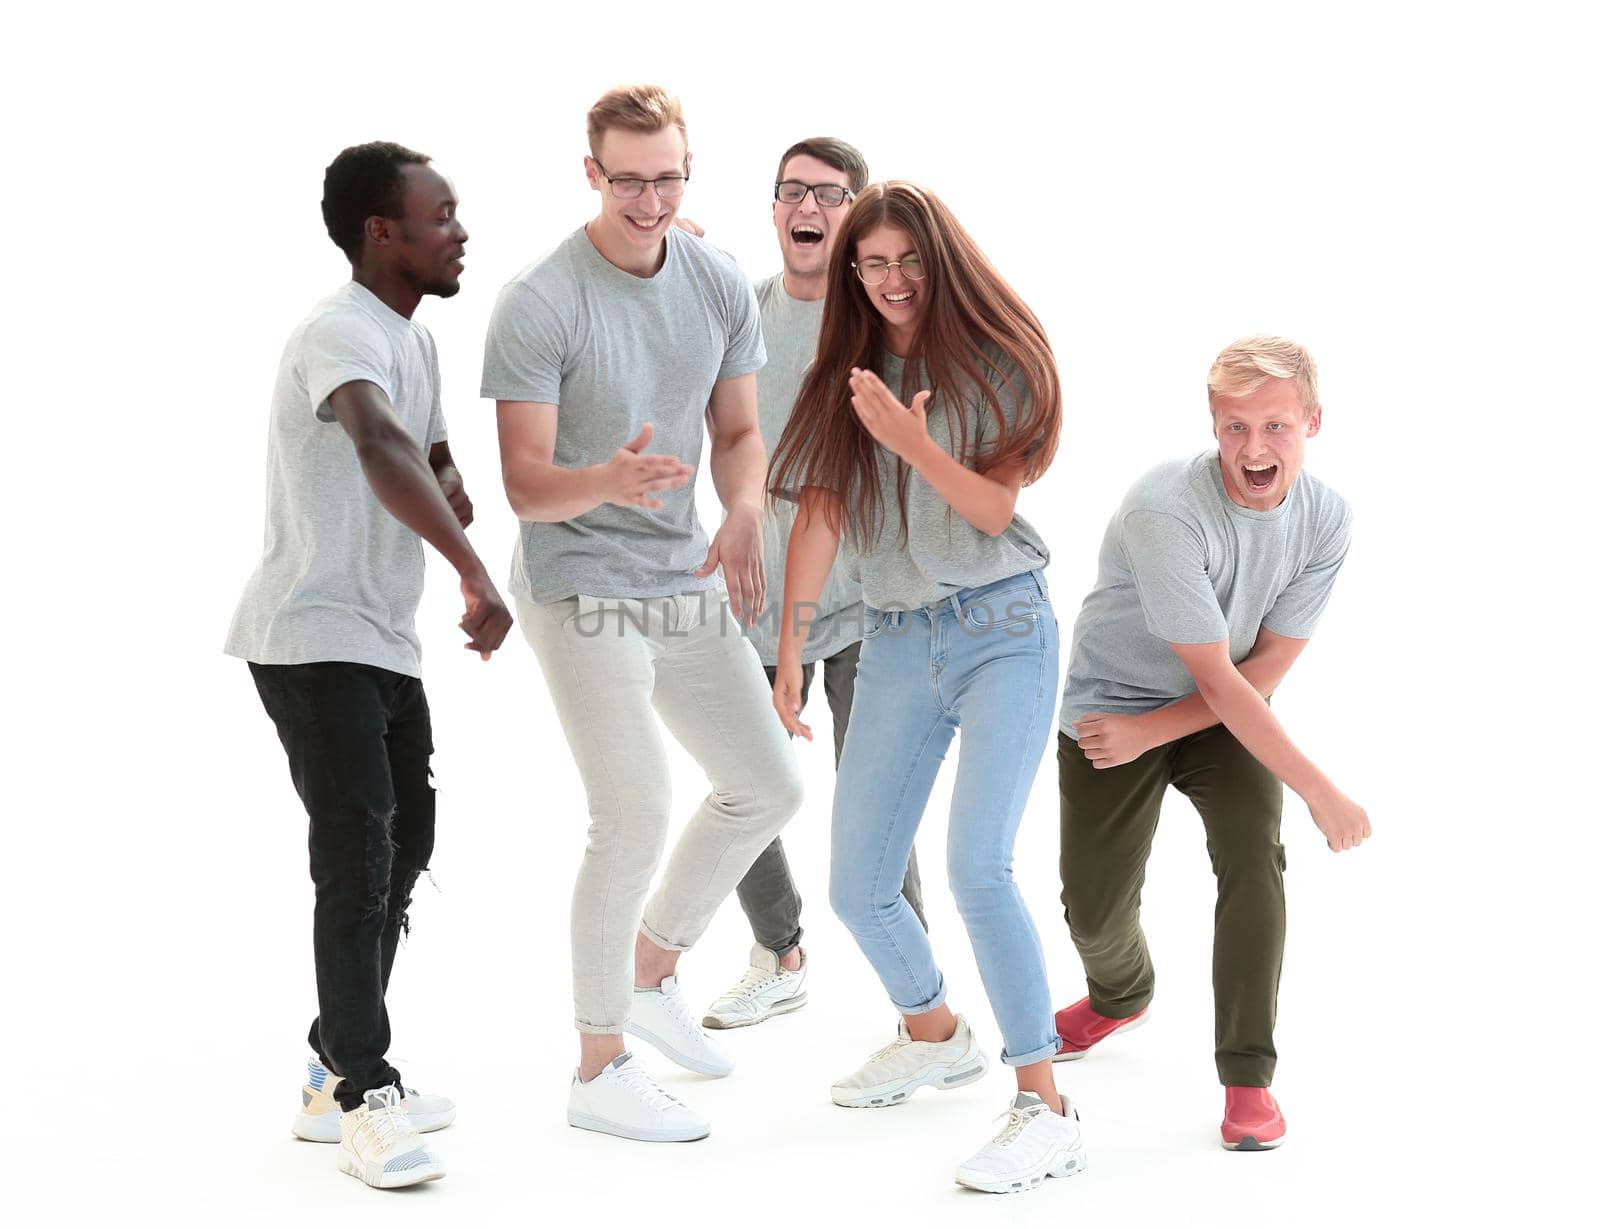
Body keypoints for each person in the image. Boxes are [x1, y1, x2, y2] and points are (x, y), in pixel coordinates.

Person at [482, 84, 804, 1144]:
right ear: (591, 174)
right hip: (578, 580)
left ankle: (653, 968)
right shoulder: (540, 300)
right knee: (630, 811)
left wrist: (746, 503)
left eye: (669, 176)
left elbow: (741, 428)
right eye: (630, 179)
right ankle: (597, 1062)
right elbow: (525, 486)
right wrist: (605, 482)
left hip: (680, 575)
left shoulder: (714, 279)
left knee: (765, 782)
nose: (651, 198)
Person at [769, 181, 1085, 1194]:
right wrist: (789, 650)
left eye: (907, 258)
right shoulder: (847, 375)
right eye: (873, 263)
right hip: (898, 638)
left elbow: (994, 510)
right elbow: (818, 515)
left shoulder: (992, 362)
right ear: (853, 274)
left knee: (976, 867)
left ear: (937, 259)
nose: (892, 278)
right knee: (857, 884)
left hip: (1001, 627)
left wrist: (911, 444)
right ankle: (934, 1029)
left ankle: (1045, 1102)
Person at [225, 141, 512, 1189]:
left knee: (406, 840)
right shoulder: (338, 332)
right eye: (441, 214)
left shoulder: (410, 338)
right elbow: (380, 444)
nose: (460, 230)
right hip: (310, 633)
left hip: (377, 638)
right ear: (381, 232)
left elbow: (424, 449)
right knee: (357, 854)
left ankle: (329, 1061)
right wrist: (474, 570)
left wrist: (455, 481)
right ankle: (363, 1093)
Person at [1052, 335, 1369, 1152]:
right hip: (1113, 705)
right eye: (1235, 427)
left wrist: (1164, 733)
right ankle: (1121, 993)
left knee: (1254, 853)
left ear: (1313, 422)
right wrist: (1321, 788)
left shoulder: (1327, 518)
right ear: (1213, 424)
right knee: (1090, 904)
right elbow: (1228, 679)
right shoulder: (1167, 507)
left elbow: (1259, 670)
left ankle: (1247, 1076)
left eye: (1275, 426)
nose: (1254, 448)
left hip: (1219, 717)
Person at [703, 137, 929, 1032]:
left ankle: (920, 1002)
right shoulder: (742, 316)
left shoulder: (879, 321)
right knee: (738, 782)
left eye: (830, 195)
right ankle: (780, 949)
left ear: (857, 212)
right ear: (773, 211)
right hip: (751, 600)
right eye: (792, 191)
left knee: (878, 806)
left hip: (866, 602)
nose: (809, 207)